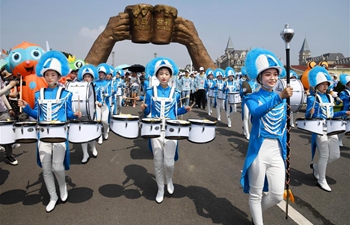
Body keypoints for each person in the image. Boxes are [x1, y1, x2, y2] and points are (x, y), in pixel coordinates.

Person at [18, 50, 82, 212]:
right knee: (46, 168)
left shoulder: (66, 94)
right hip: (42, 135)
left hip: (60, 135)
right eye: (47, 74)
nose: (50, 77)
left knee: (57, 167)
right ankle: (53, 196)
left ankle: (62, 187)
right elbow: (36, 114)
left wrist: (74, 115)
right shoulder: (39, 94)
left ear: (59, 76)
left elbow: (67, 114)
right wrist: (25, 106)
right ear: (44, 76)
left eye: (53, 74)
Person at [240, 48, 293, 225]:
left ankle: (256, 212)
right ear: (259, 77)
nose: (272, 78)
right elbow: (257, 112)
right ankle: (258, 221)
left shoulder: (282, 97)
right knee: (255, 193)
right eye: (267, 74)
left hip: (277, 152)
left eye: (275, 74)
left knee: (277, 195)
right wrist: (280, 97)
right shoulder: (251, 97)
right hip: (259, 152)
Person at [140, 58, 191, 204]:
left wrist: (184, 110)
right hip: (155, 129)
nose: (163, 76)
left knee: (169, 162)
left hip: (171, 128)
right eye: (161, 73)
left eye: (166, 73)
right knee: (157, 161)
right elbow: (149, 110)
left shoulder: (176, 92)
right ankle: (160, 188)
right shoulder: (150, 91)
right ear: (156, 75)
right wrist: (144, 109)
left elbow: (176, 111)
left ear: (170, 76)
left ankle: (169, 179)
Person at [306, 66, 349, 192]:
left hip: (331, 128)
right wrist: (311, 112)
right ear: (317, 85)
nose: (325, 86)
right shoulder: (312, 98)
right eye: (322, 84)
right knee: (324, 155)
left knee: (335, 155)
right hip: (319, 129)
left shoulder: (330, 98)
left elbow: (331, 115)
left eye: (326, 84)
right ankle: (321, 179)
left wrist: (344, 112)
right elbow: (308, 116)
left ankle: (316, 167)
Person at [76, 65, 99, 163]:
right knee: (83, 134)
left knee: (92, 132)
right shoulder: (79, 87)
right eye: (85, 76)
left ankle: (93, 147)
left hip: (93, 112)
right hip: (83, 113)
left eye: (89, 77)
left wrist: (99, 102)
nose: (87, 78)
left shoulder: (95, 87)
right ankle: (85, 153)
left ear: (92, 78)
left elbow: (99, 97)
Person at [239, 66, 259, 140]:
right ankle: (247, 133)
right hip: (246, 101)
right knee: (246, 117)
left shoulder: (256, 83)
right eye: (247, 75)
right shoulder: (243, 83)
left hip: (253, 101)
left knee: (252, 117)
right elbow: (240, 94)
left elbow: (258, 92)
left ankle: (248, 130)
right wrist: (242, 91)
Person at [95, 63, 112, 145]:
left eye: (102, 73)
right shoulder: (95, 83)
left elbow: (110, 93)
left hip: (105, 104)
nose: (101, 74)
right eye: (99, 73)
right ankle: (99, 136)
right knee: (98, 121)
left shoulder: (108, 83)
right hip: (97, 104)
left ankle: (105, 131)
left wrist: (106, 95)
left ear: (105, 74)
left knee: (104, 120)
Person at [337, 73, 350, 146]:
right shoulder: (344, 93)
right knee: (343, 128)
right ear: (347, 84)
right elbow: (338, 102)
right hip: (346, 111)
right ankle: (339, 139)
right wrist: (338, 100)